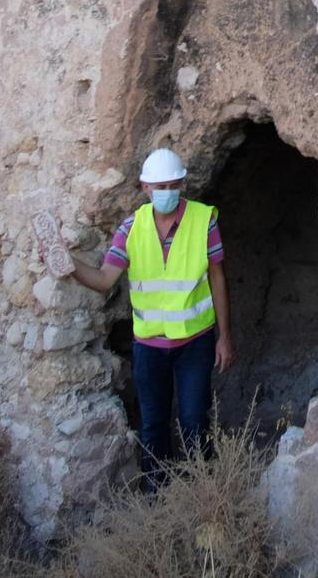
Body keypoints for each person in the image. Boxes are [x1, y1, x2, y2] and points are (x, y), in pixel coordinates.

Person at [45, 147, 234, 486]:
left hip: (195, 342)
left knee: (193, 419)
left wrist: (225, 336)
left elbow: (218, 277)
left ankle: (204, 491)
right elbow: (104, 279)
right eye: (159, 187)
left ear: (181, 184)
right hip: (149, 346)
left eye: (173, 186)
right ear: (145, 188)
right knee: (153, 423)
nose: (167, 193)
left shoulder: (204, 220)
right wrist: (68, 265)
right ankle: (155, 495)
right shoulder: (131, 228)